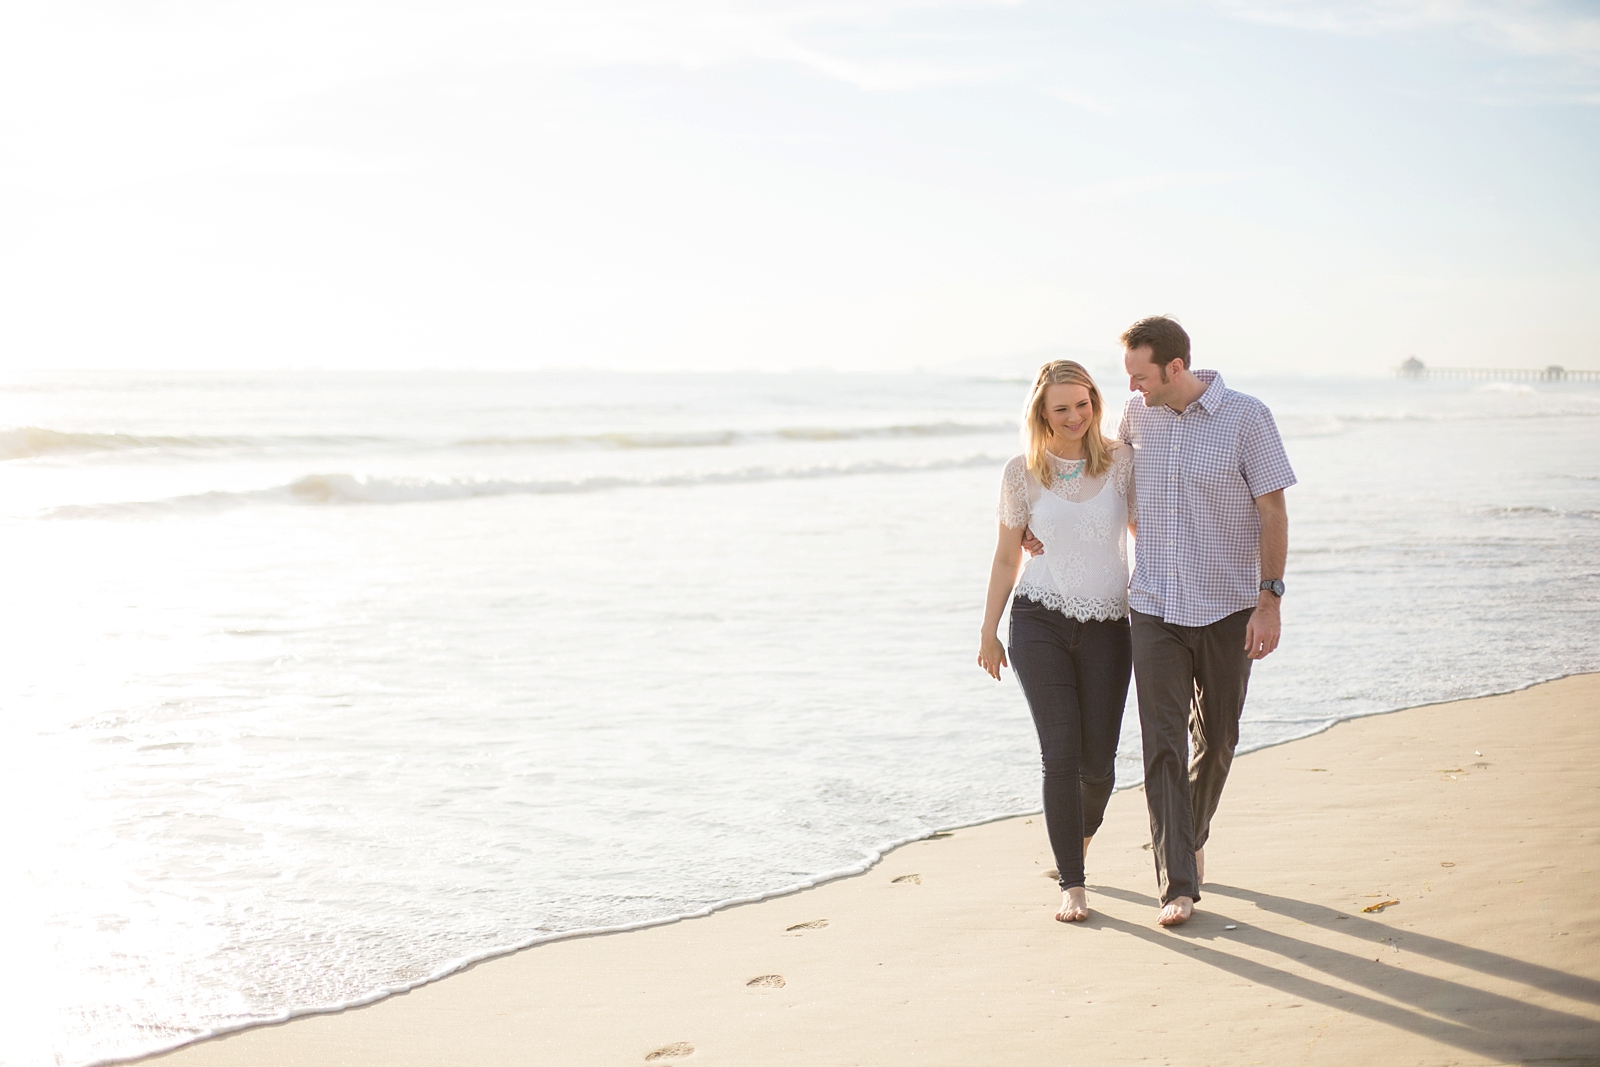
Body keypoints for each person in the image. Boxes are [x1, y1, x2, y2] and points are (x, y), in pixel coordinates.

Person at [1115, 315, 1295, 927]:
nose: (1133, 388)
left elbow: (1273, 510)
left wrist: (1269, 599)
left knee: (1217, 740)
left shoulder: (1247, 417)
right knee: (1160, 742)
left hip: (1227, 605)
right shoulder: (1136, 417)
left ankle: (1189, 834)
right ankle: (1178, 883)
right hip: (1155, 605)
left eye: (1141, 376)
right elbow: (1108, 489)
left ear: (1174, 367)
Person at [978, 360, 1135, 924]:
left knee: (1100, 767)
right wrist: (989, 630)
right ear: (1042, 414)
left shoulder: (1121, 463)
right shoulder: (1022, 472)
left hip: (1110, 625)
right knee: (1060, 754)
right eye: (1060, 408)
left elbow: (1152, 532)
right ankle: (1073, 884)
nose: (1074, 417)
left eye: (1082, 404)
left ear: (1095, 402)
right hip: (1037, 618)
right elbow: (1006, 555)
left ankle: (1081, 836)